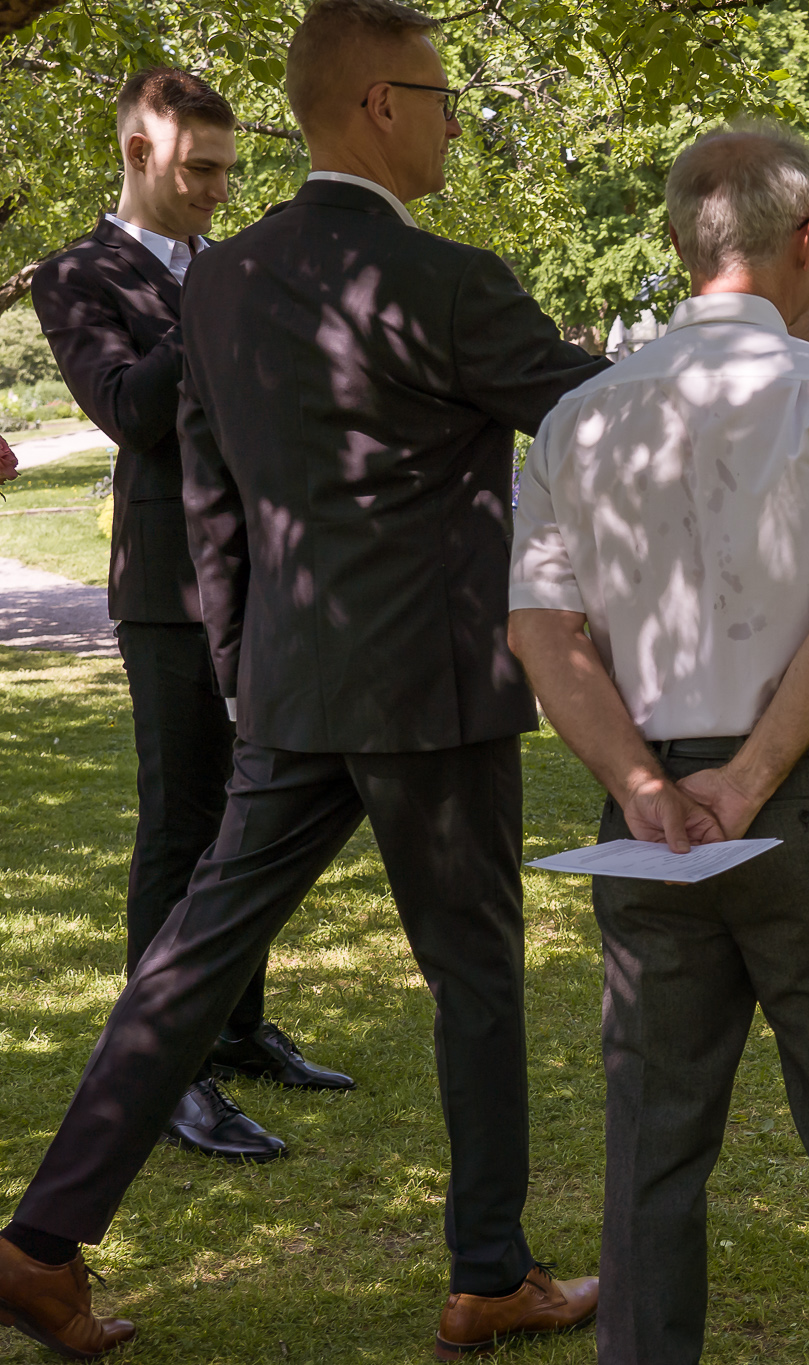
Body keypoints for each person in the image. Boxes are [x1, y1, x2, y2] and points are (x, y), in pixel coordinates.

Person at [0, 2, 623, 1356]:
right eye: (446, 94)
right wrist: (757, 335)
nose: (462, 117)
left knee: (194, 957)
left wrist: (239, 672)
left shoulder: (222, 283)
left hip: (288, 681)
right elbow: (607, 416)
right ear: (379, 106)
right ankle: (490, 1271)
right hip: (435, 690)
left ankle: (40, 1244)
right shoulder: (452, 281)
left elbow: (211, 504)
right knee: (476, 975)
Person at [508, 122, 809, 1364]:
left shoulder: (575, 416)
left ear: (681, 242)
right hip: (808, 797)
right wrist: (743, 780)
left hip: (647, 818)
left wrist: (644, 786)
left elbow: (544, 634)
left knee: (651, 1137)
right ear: (807, 240)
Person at [32, 68, 355, 1174]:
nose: (221, 190)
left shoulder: (229, 268)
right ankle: (164, 1073)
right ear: (136, 155)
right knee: (181, 822)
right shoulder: (76, 275)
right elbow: (127, 411)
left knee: (255, 816)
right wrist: (222, 313)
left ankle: (235, 1021)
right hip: (171, 588)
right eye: (198, 170)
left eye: (228, 169)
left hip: (272, 575)